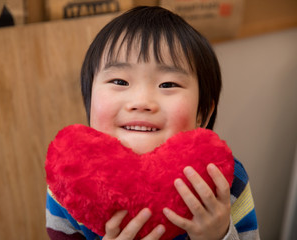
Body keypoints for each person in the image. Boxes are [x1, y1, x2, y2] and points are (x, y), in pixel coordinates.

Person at [46, 6, 260, 240]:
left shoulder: (221, 182)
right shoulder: (71, 179)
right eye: (119, 80)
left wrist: (219, 234)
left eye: (168, 85)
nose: (142, 102)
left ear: (203, 114)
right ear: (89, 101)